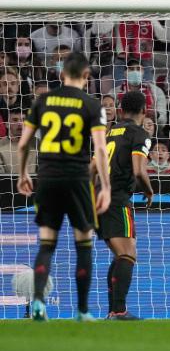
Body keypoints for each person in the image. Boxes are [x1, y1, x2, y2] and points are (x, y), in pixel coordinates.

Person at [16, 52, 111, 321]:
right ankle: (82, 311)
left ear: (61, 75)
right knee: (83, 244)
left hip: (46, 177)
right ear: (86, 76)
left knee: (47, 244)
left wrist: (23, 173)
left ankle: (37, 304)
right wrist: (105, 186)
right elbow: (101, 150)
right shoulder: (92, 105)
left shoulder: (42, 100)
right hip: (78, 179)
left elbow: (23, 144)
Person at [94, 91, 153, 320]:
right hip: (117, 198)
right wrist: (149, 190)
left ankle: (113, 312)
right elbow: (139, 170)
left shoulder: (111, 133)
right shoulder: (140, 134)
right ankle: (119, 311)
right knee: (128, 254)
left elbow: (92, 166)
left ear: (120, 110)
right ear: (144, 110)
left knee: (121, 255)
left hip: (100, 197)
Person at [114, 59, 167, 125]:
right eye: (131, 69)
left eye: (138, 69)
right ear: (125, 73)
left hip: (149, 130)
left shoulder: (156, 91)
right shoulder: (114, 92)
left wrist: (156, 115)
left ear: (143, 72)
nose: (135, 72)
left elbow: (163, 121)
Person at [0, 108, 37, 174]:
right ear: (7, 124)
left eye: (23, 120)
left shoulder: (37, 144)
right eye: (15, 120)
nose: (20, 123)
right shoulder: (1, 145)